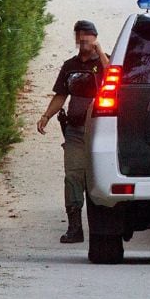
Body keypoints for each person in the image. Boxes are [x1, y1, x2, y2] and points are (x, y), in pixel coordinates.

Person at [36, 20, 110, 244]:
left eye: (88, 36)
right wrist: (46, 116)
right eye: (80, 36)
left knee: (100, 178)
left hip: (101, 133)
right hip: (75, 131)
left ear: (95, 37)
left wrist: (101, 54)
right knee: (73, 176)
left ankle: (105, 228)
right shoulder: (70, 65)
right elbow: (61, 94)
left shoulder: (104, 63)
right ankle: (74, 227)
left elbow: (113, 81)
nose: (84, 40)